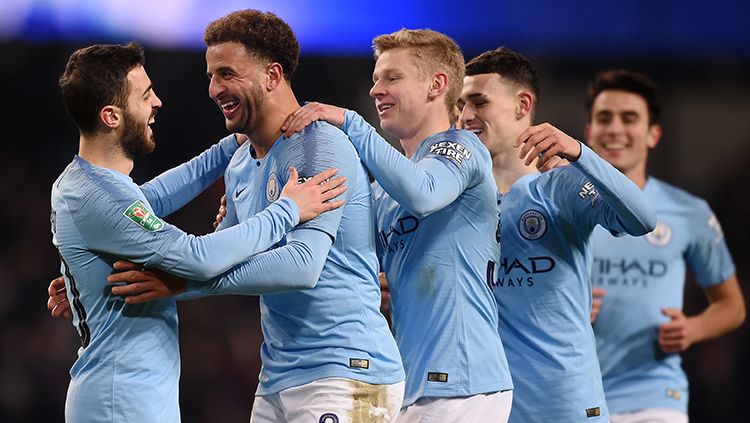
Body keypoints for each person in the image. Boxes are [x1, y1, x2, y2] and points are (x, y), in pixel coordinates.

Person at [105, 10, 406, 423]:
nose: (214, 88)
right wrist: (121, 278)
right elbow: (220, 260)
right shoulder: (241, 163)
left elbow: (302, 266)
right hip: (278, 376)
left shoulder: (318, 147)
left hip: (344, 371)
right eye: (211, 75)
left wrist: (177, 281)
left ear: (272, 75)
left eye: (227, 73)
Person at [51, 42, 345, 422]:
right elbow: (196, 258)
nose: (157, 102)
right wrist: (286, 210)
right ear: (112, 116)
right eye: (145, 96)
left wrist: (233, 142)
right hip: (119, 400)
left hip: (126, 392)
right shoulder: (100, 195)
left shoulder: (88, 183)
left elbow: (155, 195)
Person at [281, 29, 513, 422]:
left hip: (463, 383)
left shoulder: (462, 147)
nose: (376, 90)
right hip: (409, 385)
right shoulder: (384, 194)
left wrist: (351, 124)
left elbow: (423, 193)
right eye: (375, 79)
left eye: (392, 77)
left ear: (436, 85)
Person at [456, 47, 656, 422]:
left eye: (479, 102)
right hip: (488, 406)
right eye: (462, 104)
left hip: (565, 403)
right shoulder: (457, 202)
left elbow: (643, 219)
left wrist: (582, 154)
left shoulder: (561, 186)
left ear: (522, 105)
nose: (466, 116)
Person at [585, 69, 746, 423]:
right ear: (589, 133)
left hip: (656, 393)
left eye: (629, 119)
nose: (615, 129)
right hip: (575, 393)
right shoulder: (559, 210)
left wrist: (693, 329)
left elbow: (731, 305)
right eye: (604, 118)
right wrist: (565, 305)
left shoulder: (688, 211)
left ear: (653, 134)